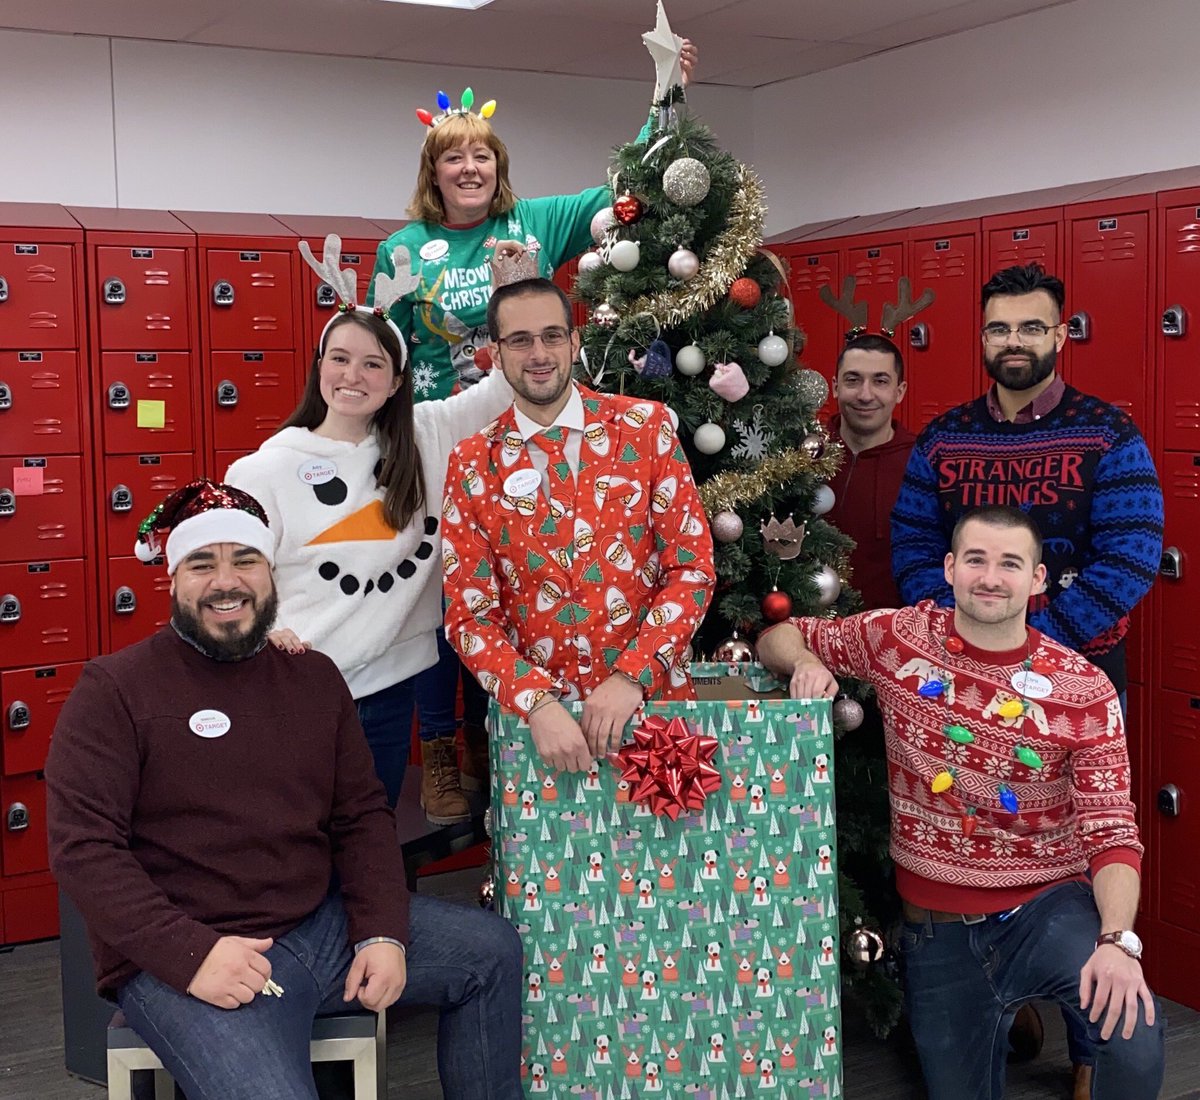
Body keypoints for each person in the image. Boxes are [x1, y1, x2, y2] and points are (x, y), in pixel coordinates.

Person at [45, 480, 523, 1100]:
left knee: (489, 952)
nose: (227, 582)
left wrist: (380, 930)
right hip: (187, 955)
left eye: (245, 561)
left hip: (317, 928)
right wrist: (193, 956)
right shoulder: (115, 689)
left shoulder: (313, 679)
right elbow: (84, 850)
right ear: (171, 579)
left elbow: (361, 817)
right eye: (202, 563)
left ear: (271, 576)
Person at [369, 40, 698, 815]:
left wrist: (665, 96)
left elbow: (628, 190)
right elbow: (386, 352)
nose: (471, 169)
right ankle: (444, 742)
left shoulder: (535, 223)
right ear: (434, 173)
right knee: (438, 589)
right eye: (455, 160)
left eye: (482, 155)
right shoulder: (403, 248)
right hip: (439, 433)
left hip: (529, 413)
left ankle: (494, 729)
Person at [757, 505, 1165, 1100]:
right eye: (975, 560)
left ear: (1038, 579)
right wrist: (806, 661)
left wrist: (1115, 944)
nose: (991, 577)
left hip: (1049, 910)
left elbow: (1113, 835)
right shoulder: (899, 639)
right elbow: (777, 634)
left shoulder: (1082, 688)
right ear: (950, 568)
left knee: (1134, 1038)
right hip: (937, 933)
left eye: (1010, 564)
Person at [889, 262, 1164, 1092]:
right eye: (1000, 328)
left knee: (1074, 848)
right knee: (969, 818)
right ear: (982, 338)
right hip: (957, 680)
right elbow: (913, 552)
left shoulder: (1107, 433)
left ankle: (1089, 1048)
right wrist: (971, 647)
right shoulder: (943, 438)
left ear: (1061, 334)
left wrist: (1028, 647)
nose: (1015, 342)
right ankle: (996, 995)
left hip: (1073, 677)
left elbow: (1133, 554)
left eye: (1031, 327)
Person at [224, 242, 513, 821]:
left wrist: (513, 291)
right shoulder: (263, 469)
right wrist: (267, 630)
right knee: (298, 842)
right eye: (339, 358)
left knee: (366, 836)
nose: (353, 376)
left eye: (373, 363)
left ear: (396, 378)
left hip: (386, 690)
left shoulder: (425, 435)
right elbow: (231, 577)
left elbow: (504, 387)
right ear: (319, 365)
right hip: (299, 690)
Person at [440, 277, 715, 772]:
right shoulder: (471, 463)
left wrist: (631, 678)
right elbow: (470, 616)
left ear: (574, 342)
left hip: (655, 714)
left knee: (673, 850)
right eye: (519, 340)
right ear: (496, 355)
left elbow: (691, 570)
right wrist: (536, 702)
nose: (538, 353)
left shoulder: (646, 429)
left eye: (551, 335)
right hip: (541, 735)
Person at [826, 332, 916, 612]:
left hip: (890, 631)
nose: (865, 395)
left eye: (880, 381)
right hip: (805, 628)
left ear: (899, 392)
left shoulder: (921, 463)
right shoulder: (802, 456)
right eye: (853, 380)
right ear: (835, 387)